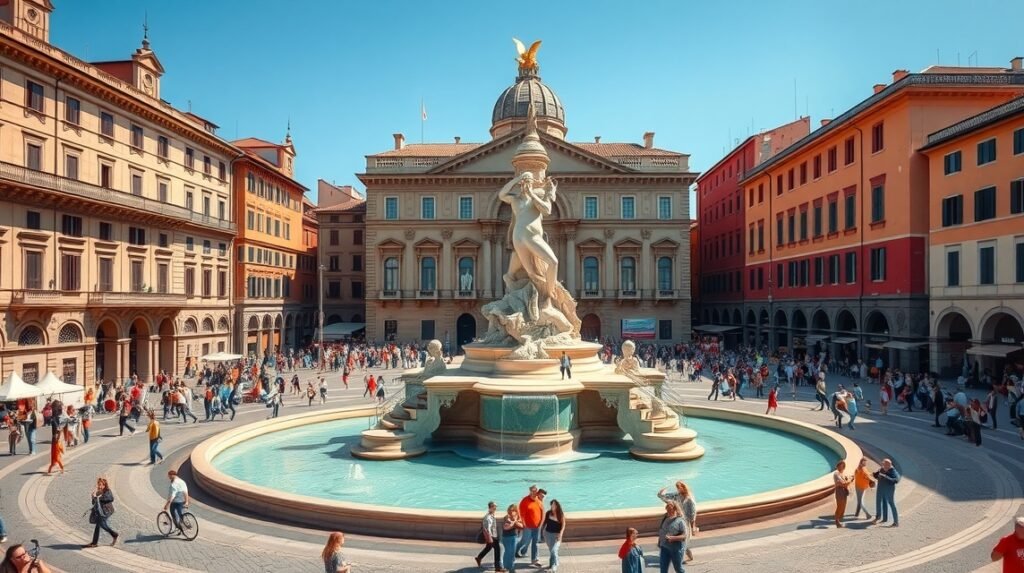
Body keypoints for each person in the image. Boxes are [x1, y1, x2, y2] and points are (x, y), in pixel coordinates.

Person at [658, 481, 697, 562]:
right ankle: (675, 556)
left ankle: (688, 556)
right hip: (676, 520)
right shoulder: (677, 495)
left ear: (683, 487)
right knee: (676, 540)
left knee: (684, 541)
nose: (678, 489)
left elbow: (693, 513)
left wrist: (693, 526)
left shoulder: (689, 499)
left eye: (679, 487)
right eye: (677, 488)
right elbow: (666, 499)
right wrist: (661, 493)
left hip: (685, 522)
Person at [83, 477, 118, 548]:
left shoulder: (107, 491)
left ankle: (113, 534)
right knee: (99, 525)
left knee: (100, 524)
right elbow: (94, 503)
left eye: (101, 485)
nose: (99, 486)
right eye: (98, 484)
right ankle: (95, 542)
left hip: (107, 511)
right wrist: (93, 498)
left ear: (105, 485)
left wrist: (99, 498)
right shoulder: (98, 492)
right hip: (100, 511)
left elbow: (111, 498)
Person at [516, 485, 545, 565]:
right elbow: (521, 513)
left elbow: (542, 511)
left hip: (537, 526)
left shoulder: (539, 500)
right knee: (524, 541)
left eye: (535, 491)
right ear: (530, 491)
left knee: (535, 543)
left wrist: (541, 523)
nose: (534, 492)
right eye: (532, 491)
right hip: (528, 526)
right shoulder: (525, 500)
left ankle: (534, 559)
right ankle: (516, 550)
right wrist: (524, 524)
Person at [657, 501, 688, 573]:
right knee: (663, 570)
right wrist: (659, 541)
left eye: (670, 510)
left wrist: (672, 538)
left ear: (675, 509)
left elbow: (684, 536)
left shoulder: (680, 521)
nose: (668, 512)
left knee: (678, 569)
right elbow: (662, 530)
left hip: (676, 549)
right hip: (664, 547)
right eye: (667, 510)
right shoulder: (665, 518)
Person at [872, 458, 900, 527]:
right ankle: (882, 518)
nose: (883, 466)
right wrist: (875, 475)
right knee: (881, 502)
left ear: (889, 465)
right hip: (880, 489)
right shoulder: (882, 469)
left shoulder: (893, 471)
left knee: (891, 503)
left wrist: (885, 477)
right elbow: (876, 476)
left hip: (888, 490)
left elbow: (896, 480)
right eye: (883, 464)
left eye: (884, 465)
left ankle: (896, 522)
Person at [475, 501, 503, 572]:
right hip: (491, 536)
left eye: (496, 507)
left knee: (488, 547)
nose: (495, 508)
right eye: (494, 507)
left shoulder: (491, 515)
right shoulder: (488, 517)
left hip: (492, 535)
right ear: (490, 508)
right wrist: (491, 538)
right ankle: (498, 567)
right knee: (497, 549)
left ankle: (479, 558)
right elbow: (487, 529)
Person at [164, 469, 191, 535]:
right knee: (180, 514)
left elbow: (172, 496)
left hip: (175, 502)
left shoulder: (174, 484)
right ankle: (184, 526)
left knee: (174, 516)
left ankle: (179, 528)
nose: (169, 478)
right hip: (182, 501)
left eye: (169, 476)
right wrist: (187, 501)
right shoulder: (182, 481)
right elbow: (185, 492)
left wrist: (167, 504)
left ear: (172, 475)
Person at [543, 499, 566, 571]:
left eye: (554, 505)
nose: (553, 506)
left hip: (556, 535)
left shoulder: (560, 514)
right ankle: (551, 564)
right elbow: (544, 523)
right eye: (552, 504)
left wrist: (560, 534)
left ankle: (555, 565)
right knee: (551, 550)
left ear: (557, 506)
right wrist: (542, 533)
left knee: (554, 550)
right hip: (548, 534)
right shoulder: (548, 513)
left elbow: (563, 525)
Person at [501, 504, 525, 573]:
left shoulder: (517, 517)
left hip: (514, 537)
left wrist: (514, 522)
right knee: (508, 552)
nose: (511, 512)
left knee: (512, 553)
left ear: (516, 511)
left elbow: (522, 526)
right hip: (506, 537)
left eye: (513, 510)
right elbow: (506, 528)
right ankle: (506, 567)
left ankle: (511, 567)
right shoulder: (506, 517)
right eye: (510, 510)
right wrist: (514, 524)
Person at [832, 460, 853, 527]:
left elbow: (845, 483)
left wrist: (848, 480)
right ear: (838, 466)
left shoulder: (842, 474)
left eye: (843, 466)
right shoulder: (836, 473)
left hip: (844, 491)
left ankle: (839, 520)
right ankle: (837, 521)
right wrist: (850, 480)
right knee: (840, 506)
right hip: (839, 491)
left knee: (843, 507)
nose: (842, 467)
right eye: (841, 465)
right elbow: (843, 483)